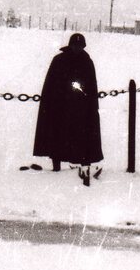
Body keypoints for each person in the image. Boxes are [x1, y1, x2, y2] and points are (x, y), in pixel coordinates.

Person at [33, 33, 103, 186]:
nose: (77, 48)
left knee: (81, 137)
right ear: (70, 45)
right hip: (61, 106)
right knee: (58, 136)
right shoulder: (59, 60)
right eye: (75, 45)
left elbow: (91, 85)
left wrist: (91, 105)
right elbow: (51, 83)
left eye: (80, 46)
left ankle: (84, 165)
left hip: (80, 108)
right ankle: (56, 165)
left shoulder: (87, 62)